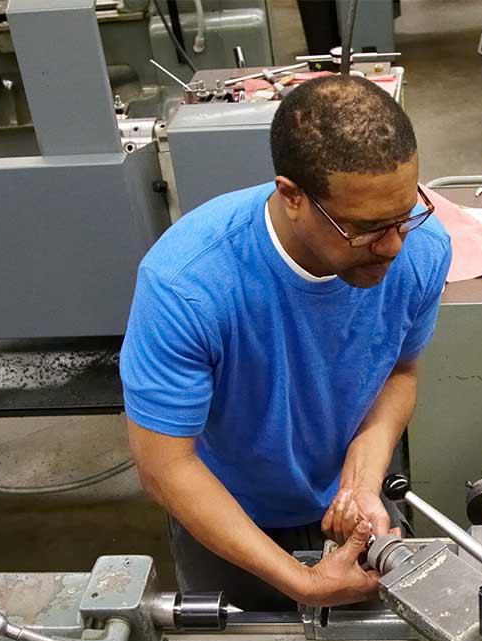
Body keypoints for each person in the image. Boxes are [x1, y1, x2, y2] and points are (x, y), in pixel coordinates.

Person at [120, 74, 452, 611]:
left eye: (404, 215)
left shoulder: (423, 248)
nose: (393, 247)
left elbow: (400, 373)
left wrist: (362, 480)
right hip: (228, 511)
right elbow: (166, 467)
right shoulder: (187, 284)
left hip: (354, 500)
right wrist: (303, 583)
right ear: (292, 197)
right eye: (365, 228)